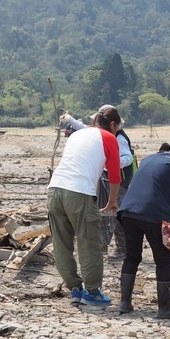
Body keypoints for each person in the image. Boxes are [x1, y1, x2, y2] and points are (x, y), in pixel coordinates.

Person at [47, 106, 122, 306]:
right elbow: (115, 176)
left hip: (54, 189)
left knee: (61, 243)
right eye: (117, 128)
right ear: (113, 125)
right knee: (88, 242)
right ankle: (91, 292)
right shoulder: (109, 138)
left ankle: (74, 288)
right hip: (78, 193)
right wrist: (112, 201)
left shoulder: (77, 135)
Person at [116, 140, 170, 318]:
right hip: (153, 215)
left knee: (132, 256)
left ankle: (124, 303)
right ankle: (164, 309)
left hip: (127, 212)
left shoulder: (147, 160)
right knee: (163, 259)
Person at [60, 105, 135, 260]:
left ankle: (121, 249)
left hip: (118, 183)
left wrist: (110, 162)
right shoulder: (105, 134)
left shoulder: (119, 138)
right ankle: (104, 247)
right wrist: (69, 119)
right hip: (107, 180)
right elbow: (84, 128)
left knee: (115, 214)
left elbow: (127, 159)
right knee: (106, 213)